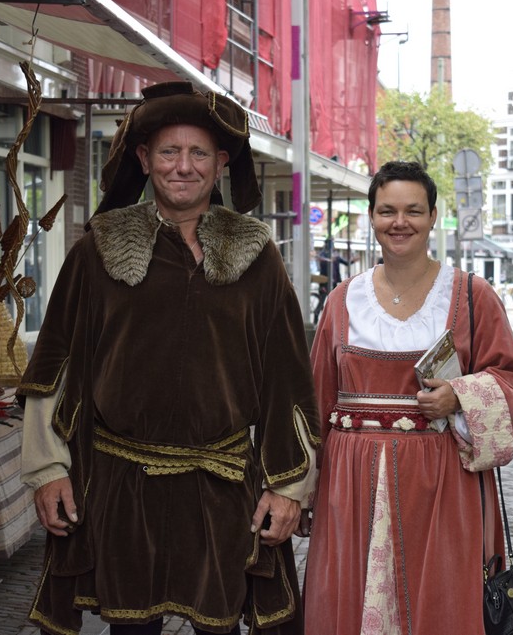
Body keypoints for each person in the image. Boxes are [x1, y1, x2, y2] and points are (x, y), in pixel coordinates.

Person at [17, 82, 319, 635]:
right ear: (143, 158)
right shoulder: (98, 249)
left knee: (219, 627)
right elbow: (55, 366)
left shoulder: (257, 255)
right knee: (131, 629)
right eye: (169, 152)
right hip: (122, 486)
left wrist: (288, 485)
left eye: (199, 152)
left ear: (220, 163)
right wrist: (47, 470)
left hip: (222, 488)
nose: (184, 166)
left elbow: (289, 381)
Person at [303, 161, 513, 634]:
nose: (399, 222)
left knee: (441, 603)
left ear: (432, 217)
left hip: (442, 484)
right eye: (387, 211)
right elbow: (315, 400)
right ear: (371, 216)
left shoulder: (472, 296)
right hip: (351, 485)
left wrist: (460, 396)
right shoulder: (342, 300)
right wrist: (300, 489)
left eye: (413, 210)